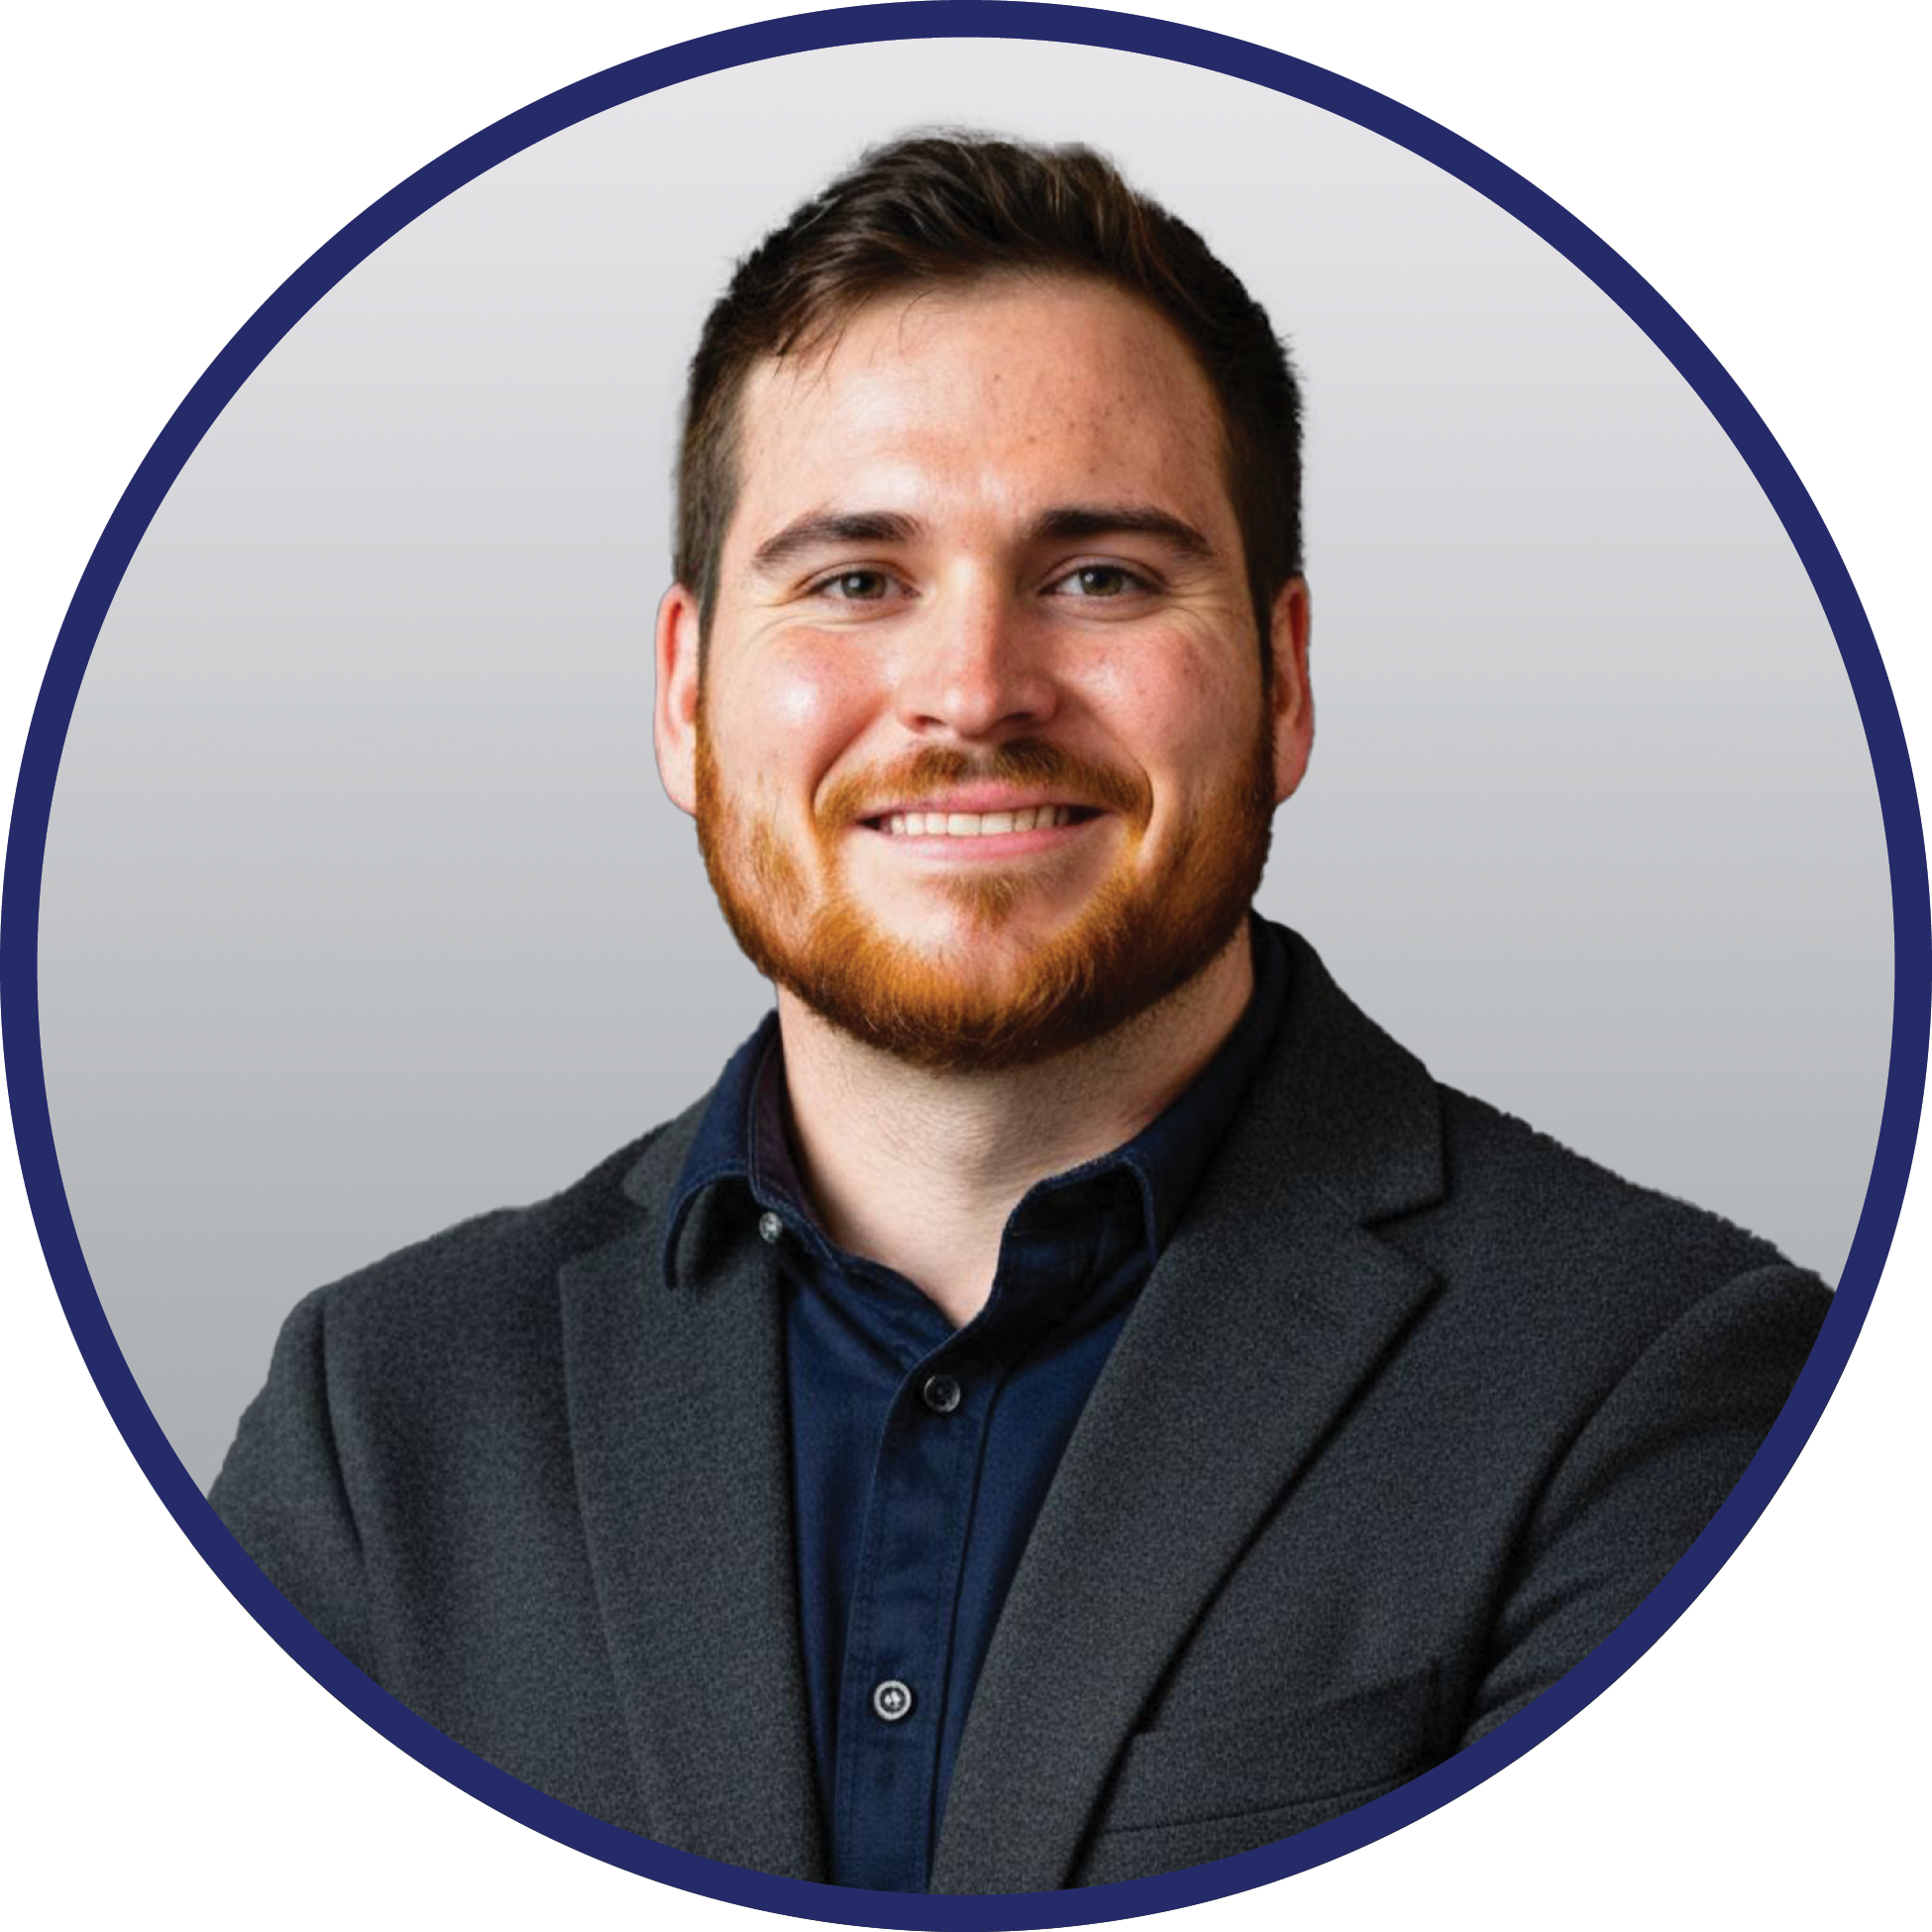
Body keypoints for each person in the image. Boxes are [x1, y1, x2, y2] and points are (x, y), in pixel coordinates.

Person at [209, 133, 1830, 1894]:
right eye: (853, 579)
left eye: (1101, 577)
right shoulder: (381, 1421)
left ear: (1283, 684)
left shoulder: (1662, 1384)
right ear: (683, 695)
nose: (973, 691)